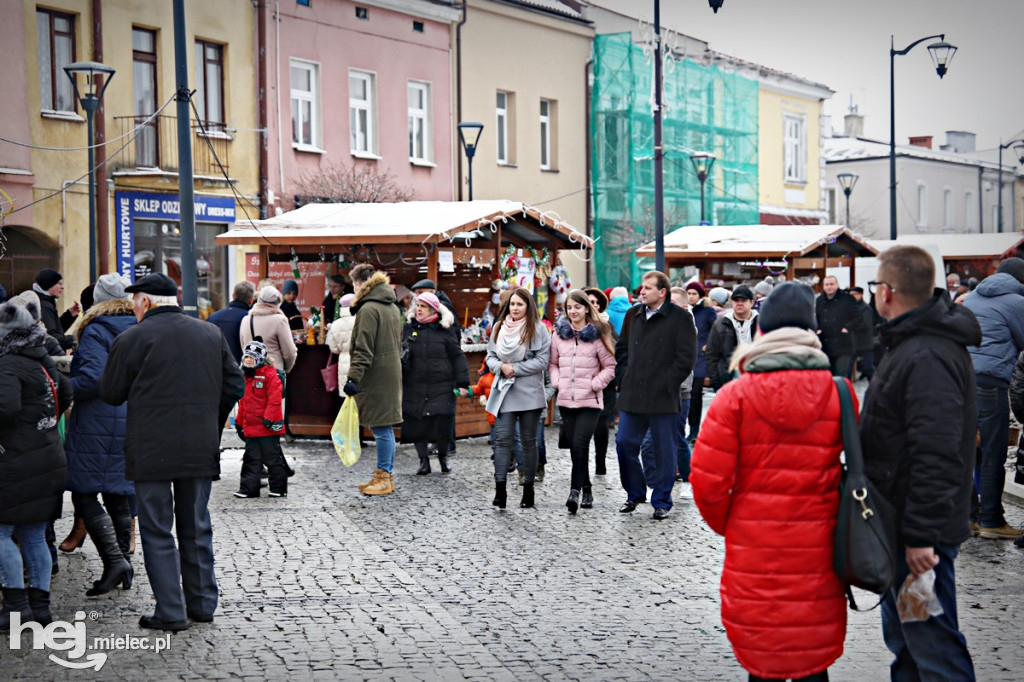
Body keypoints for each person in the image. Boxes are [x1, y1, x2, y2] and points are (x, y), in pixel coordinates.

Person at [691, 282, 846, 682]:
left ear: (762, 331)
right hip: (821, 545)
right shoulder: (840, 394)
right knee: (813, 659)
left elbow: (707, 484)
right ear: (813, 335)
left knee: (763, 662)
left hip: (754, 550)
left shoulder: (734, 397)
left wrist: (737, 524)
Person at [859, 246, 979, 681]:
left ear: (886, 291)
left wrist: (921, 537)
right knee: (909, 645)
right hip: (903, 531)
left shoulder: (926, 353)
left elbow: (937, 451)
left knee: (932, 647)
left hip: (918, 543)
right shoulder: (912, 343)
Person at [100, 272, 244, 632]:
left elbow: (111, 392)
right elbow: (234, 384)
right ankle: (202, 604)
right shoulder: (210, 333)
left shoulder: (132, 338)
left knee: (157, 530)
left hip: (150, 451)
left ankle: (171, 611)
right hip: (198, 446)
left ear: (145, 302)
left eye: (136, 302)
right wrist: (210, 421)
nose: (134, 308)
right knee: (196, 526)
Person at [0, 298, 73, 629]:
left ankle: (16, 608)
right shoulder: (43, 361)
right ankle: (40, 609)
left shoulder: (8, 365)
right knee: (32, 533)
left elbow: (6, 408)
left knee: (1, 533)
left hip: (16, 461)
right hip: (47, 456)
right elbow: (67, 394)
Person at [63, 274, 137, 598]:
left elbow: (92, 378)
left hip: (98, 420)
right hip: (131, 417)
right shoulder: (137, 325)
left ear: (98, 299)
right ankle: (122, 564)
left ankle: (115, 561)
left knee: (83, 492)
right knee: (118, 492)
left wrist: (65, 390)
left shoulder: (96, 328)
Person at [614, 271, 696, 520]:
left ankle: (661, 500)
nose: (642, 291)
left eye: (648, 288)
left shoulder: (680, 318)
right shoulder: (633, 314)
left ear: (663, 292)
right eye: (642, 287)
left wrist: (666, 384)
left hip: (663, 396)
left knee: (664, 450)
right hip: (633, 394)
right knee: (624, 443)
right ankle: (635, 493)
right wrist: (624, 377)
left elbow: (686, 359)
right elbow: (622, 350)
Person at [962, 257, 1024, 540]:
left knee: (969, 451)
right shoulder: (1015, 301)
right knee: (992, 452)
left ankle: (971, 518)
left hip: (961, 380)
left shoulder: (973, 297)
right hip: (990, 383)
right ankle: (992, 521)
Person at [549, 290, 616, 514]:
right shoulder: (559, 335)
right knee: (575, 450)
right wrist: (557, 382)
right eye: (569, 308)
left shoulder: (598, 334)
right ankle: (586, 488)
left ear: (587, 308)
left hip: (590, 401)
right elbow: (553, 363)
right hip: (566, 400)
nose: (573, 311)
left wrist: (594, 384)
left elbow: (610, 366)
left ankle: (574, 492)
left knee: (580, 444)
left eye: (577, 307)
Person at [486, 287, 551, 509]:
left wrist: (515, 368)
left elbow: (542, 361)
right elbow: (490, 357)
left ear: (528, 307)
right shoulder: (498, 328)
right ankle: (500, 490)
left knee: (528, 441)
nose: (514, 308)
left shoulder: (538, 329)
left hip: (530, 392)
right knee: (502, 439)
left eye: (519, 305)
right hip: (504, 390)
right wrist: (501, 367)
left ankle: (528, 489)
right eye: (512, 304)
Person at [344, 264, 403, 497]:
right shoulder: (391, 306)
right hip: (388, 371)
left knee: (381, 427)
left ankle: (384, 476)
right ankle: (383, 474)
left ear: (359, 284)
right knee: (383, 425)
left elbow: (363, 349)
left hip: (377, 374)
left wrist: (353, 378)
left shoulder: (369, 309)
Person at [400, 292, 469, 475]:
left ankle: (443, 457)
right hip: (414, 384)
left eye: (423, 306)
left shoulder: (445, 328)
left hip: (442, 385)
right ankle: (423, 461)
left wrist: (463, 382)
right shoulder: (409, 327)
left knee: (441, 423)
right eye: (418, 305)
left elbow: (457, 356)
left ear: (433, 309)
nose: (419, 309)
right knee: (416, 423)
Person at [233, 340, 288, 499]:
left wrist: (270, 420)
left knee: (272, 459)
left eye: (252, 357)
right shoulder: (246, 376)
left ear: (261, 358)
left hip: (268, 427)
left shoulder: (270, 375)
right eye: (247, 357)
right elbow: (243, 402)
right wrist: (239, 422)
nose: (249, 360)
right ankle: (248, 489)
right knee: (251, 459)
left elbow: (274, 400)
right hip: (251, 427)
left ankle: (278, 488)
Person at [585, 287, 616, 475]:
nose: (594, 305)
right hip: (581, 383)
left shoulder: (607, 325)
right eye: (590, 302)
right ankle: (582, 463)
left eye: (596, 302)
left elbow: (616, 351)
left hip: (604, 383)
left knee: (601, 423)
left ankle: (600, 462)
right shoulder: (573, 326)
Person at [705, 285, 758, 390]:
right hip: (728, 379)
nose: (739, 303)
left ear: (751, 303)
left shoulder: (761, 323)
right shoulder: (720, 324)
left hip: (756, 378)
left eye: (743, 300)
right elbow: (712, 355)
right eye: (736, 300)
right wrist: (716, 382)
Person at [239, 286, 297, 374]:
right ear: (278, 302)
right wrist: (284, 369)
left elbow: (244, 347)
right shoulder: (280, 320)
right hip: (273, 373)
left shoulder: (246, 319)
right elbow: (290, 353)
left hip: (251, 373)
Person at [814, 276, 865, 377]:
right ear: (823, 286)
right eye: (827, 285)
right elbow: (817, 317)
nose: (829, 287)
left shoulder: (847, 299)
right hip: (825, 344)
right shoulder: (819, 300)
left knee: (842, 375)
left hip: (843, 344)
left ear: (837, 285)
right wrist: (817, 328)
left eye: (831, 284)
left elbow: (858, 317)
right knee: (828, 376)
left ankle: (843, 392)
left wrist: (847, 327)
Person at [686, 281, 716, 445]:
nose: (690, 296)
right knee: (687, 396)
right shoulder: (684, 311)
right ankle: (689, 430)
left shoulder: (707, 311)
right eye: (688, 293)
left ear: (700, 295)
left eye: (694, 294)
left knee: (695, 395)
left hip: (700, 360)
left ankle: (694, 431)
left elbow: (715, 329)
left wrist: (708, 345)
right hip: (686, 358)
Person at [207, 281, 255, 365]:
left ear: (233, 296)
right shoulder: (250, 319)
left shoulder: (213, 317)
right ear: (251, 300)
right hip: (239, 368)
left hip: (215, 367)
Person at [33, 268, 79, 351]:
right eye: (59, 284)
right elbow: (53, 338)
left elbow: (55, 330)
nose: (62, 287)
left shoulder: (46, 303)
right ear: (50, 285)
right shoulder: (44, 305)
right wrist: (77, 338)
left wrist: (69, 315)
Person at [325, 293, 356, 396]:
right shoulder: (359, 320)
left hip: (343, 361)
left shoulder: (335, 324)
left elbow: (334, 349)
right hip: (358, 359)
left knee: (346, 397)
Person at [848, 286, 876, 382]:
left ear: (860, 295)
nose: (851, 297)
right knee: (847, 369)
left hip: (864, 343)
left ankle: (875, 388)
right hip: (852, 343)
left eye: (854, 294)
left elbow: (865, 324)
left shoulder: (865, 308)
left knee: (868, 368)